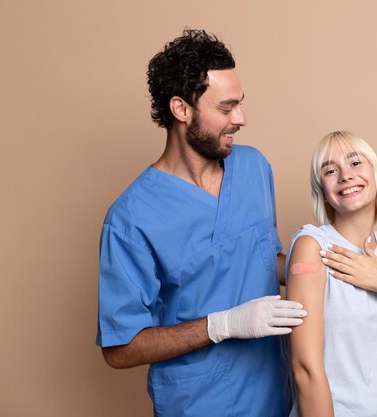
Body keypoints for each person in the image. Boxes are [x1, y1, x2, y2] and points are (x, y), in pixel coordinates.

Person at [96, 29, 306, 417]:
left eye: (240, 105)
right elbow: (120, 348)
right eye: (226, 109)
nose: (241, 119)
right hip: (198, 404)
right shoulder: (130, 219)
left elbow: (263, 258)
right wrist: (221, 325)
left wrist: (320, 260)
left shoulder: (254, 167)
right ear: (181, 109)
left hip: (276, 393)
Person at [285, 131, 377, 416]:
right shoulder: (312, 245)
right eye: (330, 170)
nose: (345, 175)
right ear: (322, 190)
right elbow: (305, 369)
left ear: (375, 173)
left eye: (355, 163)